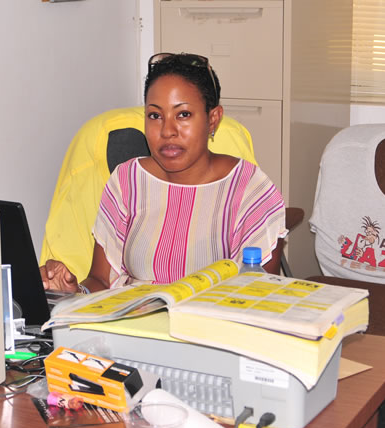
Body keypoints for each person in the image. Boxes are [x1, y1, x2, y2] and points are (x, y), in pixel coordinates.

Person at [40, 52, 286, 293]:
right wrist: (73, 291)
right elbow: (100, 281)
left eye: (184, 115)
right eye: (155, 115)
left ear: (213, 119)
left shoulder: (250, 189)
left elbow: (259, 295)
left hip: (210, 328)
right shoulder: (127, 181)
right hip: (130, 327)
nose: (168, 130)